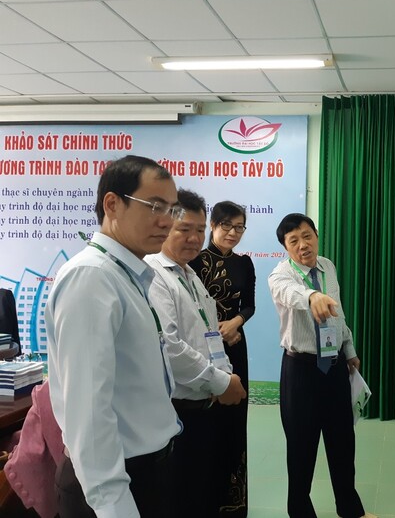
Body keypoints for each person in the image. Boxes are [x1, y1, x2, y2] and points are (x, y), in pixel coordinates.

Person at [46, 155, 183, 518]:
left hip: (145, 471)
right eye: (155, 206)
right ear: (112, 204)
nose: (167, 221)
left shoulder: (126, 275)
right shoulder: (92, 278)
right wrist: (113, 506)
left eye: (172, 209)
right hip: (114, 484)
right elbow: (88, 414)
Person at [144, 189, 247, 518]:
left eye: (199, 229)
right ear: (163, 227)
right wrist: (222, 382)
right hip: (178, 414)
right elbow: (170, 348)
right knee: (182, 500)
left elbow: (209, 335)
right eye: (184, 229)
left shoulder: (189, 275)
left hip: (205, 408)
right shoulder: (154, 276)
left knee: (205, 496)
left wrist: (226, 375)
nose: (194, 238)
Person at [267, 213, 376, 518]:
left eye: (307, 236)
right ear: (285, 247)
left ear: (316, 235)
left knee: (343, 443)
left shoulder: (328, 266)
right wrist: (312, 295)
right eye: (294, 241)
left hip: (335, 366)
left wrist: (348, 348)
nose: (303, 245)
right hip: (300, 371)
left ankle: (350, 510)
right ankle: (300, 511)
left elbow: (338, 314)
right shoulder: (280, 275)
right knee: (301, 449)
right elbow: (290, 294)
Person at [189, 201, 256, 517]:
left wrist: (235, 323)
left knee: (235, 419)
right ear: (213, 225)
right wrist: (217, 330)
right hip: (204, 348)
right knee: (209, 419)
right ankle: (207, 500)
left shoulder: (245, 263)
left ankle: (233, 501)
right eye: (227, 225)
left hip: (236, 346)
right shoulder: (195, 261)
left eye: (239, 227)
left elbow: (249, 305)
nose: (233, 232)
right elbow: (191, 307)